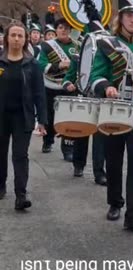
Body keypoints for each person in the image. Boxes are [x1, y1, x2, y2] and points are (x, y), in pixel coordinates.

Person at [89, 0, 133, 230]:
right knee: (114, 161)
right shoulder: (108, 45)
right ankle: (115, 202)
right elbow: (95, 75)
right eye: (129, 15)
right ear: (121, 18)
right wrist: (106, 86)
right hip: (113, 111)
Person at [0, 21, 47, 209]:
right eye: (13, 35)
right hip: (1, 116)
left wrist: (42, 120)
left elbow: (39, 93)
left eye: (20, 36)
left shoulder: (32, 64)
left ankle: (21, 194)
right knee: (0, 153)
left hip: (23, 117)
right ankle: (0, 185)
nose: (17, 39)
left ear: (26, 39)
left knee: (20, 155)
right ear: (6, 38)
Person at [62, 16, 107, 185]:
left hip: (101, 99)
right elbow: (68, 77)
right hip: (83, 97)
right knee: (81, 135)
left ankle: (99, 172)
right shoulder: (79, 55)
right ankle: (78, 164)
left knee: (100, 139)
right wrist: (69, 85)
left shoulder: (109, 55)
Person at [38, 18, 79, 160]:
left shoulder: (77, 46)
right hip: (50, 85)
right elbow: (41, 65)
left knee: (69, 118)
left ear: (71, 31)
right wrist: (60, 65)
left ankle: (68, 149)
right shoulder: (47, 46)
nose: (63, 30)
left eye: (67, 28)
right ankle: (48, 141)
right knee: (49, 116)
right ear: (56, 30)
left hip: (69, 86)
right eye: (60, 27)